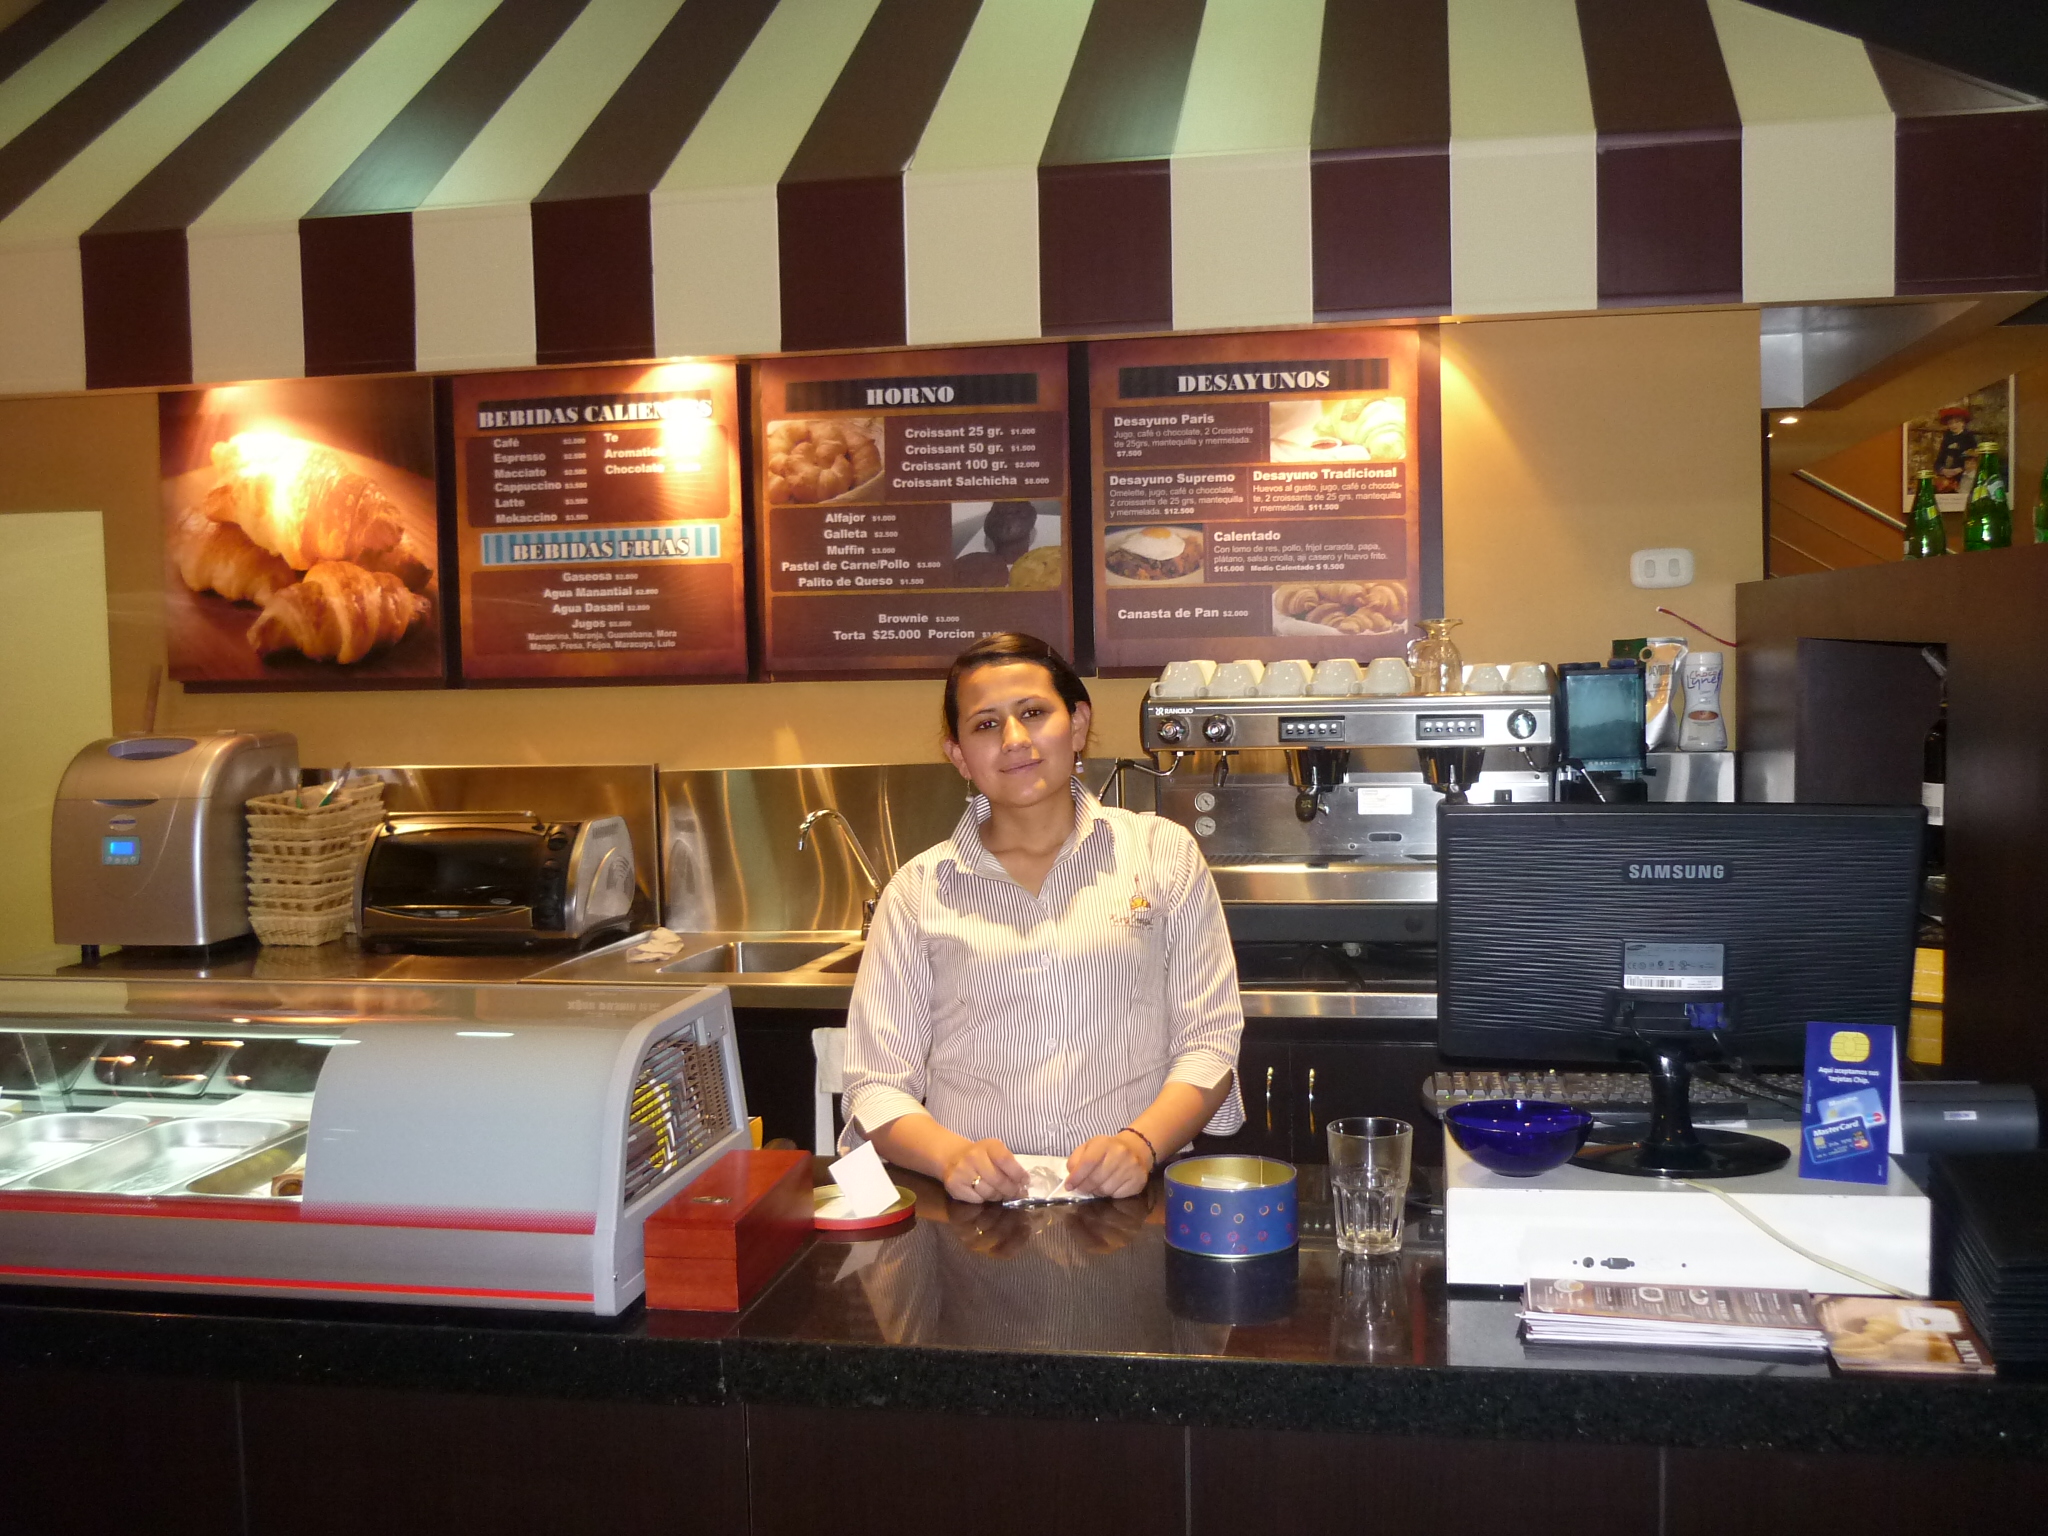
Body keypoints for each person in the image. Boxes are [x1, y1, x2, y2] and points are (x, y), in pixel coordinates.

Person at [840, 632, 1243, 1203]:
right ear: (957, 755)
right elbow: (876, 1085)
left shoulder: (1161, 855)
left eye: (1033, 712)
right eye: (985, 725)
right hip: (977, 1212)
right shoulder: (916, 892)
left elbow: (1209, 1045)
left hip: (1132, 1198)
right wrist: (949, 1156)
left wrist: (1139, 1145)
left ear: (1077, 725)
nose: (1014, 739)